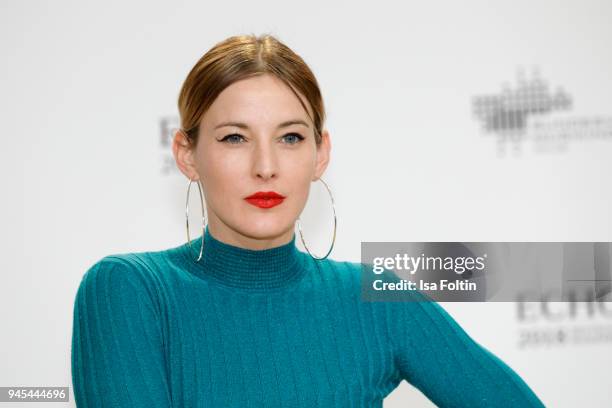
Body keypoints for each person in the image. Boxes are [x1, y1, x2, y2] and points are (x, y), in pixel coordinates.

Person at [71, 33, 546, 407]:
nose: (265, 165)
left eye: (291, 138)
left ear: (321, 154)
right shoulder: (129, 290)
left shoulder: (379, 299)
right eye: (235, 138)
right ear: (187, 155)